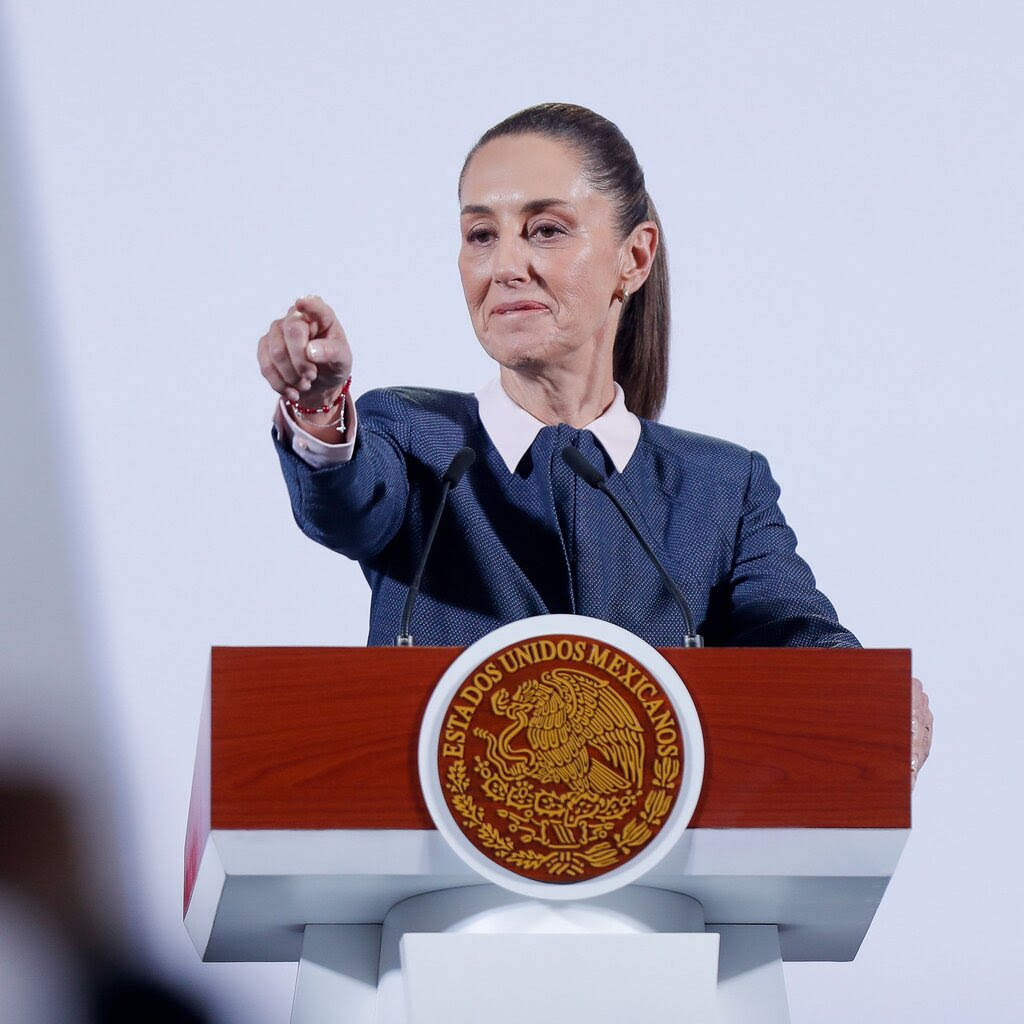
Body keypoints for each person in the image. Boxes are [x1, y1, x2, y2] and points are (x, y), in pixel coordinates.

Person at [257, 102, 932, 779]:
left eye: (545, 230)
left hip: (656, 879)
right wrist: (319, 412)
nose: (506, 266)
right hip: (451, 877)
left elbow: (794, 636)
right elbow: (346, 501)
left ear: (634, 258)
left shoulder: (720, 488)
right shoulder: (412, 439)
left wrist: (863, 693)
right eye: (481, 235)